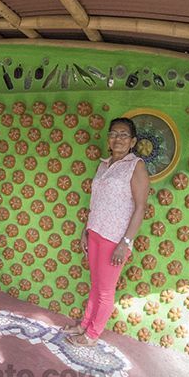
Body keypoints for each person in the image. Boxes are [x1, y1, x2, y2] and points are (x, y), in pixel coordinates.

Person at [65, 117, 149, 346]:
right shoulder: (104, 164)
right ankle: (84, 325)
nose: (117, 139)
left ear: (132, 141)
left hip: (115, 238)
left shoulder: (135, 166)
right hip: (96, 231)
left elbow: (141, 207)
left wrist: (126, 242)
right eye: (113, 134)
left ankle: (92, 335)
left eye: (123, 135)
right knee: (96, 283)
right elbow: (97, 200)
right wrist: (86, 230)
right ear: (108, 139)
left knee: (104, 289)